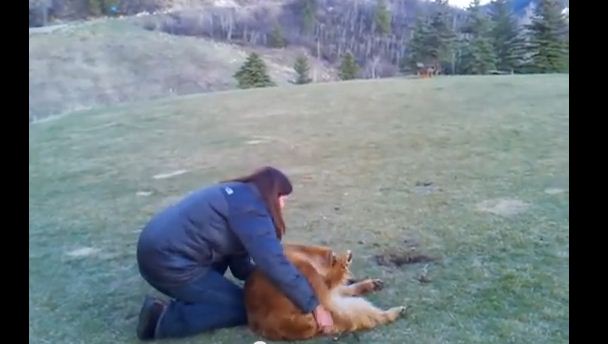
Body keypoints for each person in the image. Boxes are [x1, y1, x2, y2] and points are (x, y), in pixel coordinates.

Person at [136, 166, 334, 340]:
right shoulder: (252, 210)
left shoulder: (240, 196)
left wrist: (273, 285)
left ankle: (197, 297)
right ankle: (161, 320)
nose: (283, 205)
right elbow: (273, 261)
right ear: (273, 193)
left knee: (233, 296)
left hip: (164, 250)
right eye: (283, 198)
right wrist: (313, 305)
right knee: (245, 308)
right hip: (167, 263)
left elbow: (241, 265)